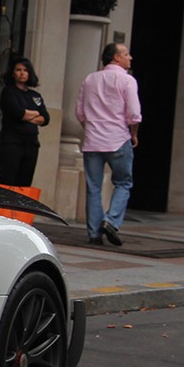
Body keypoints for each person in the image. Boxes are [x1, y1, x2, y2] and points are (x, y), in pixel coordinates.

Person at [74, 42, 142, 246]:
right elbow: (134, 114)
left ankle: (94, 234)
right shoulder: (127, 80)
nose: (130, 57)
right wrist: (134, 134)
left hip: (92, 141)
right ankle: (111, 220)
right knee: (123, 183)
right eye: (126, 54)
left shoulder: (89, 79)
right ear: (116, 58)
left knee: (93, 187)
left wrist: (92, 128)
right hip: (118, 138)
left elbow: (79, 113)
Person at [0, 57, 47, 187]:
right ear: (13, 73)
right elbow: (19, 113)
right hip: (12, 143)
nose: (22, 73)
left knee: (24, 183)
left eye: (25, 70)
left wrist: (28, 114)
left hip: (31, 144)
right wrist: (34, 113)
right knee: (7, 181)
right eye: (18, 70)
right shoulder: (8, 92)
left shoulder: (35, 96)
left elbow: (45, 118)